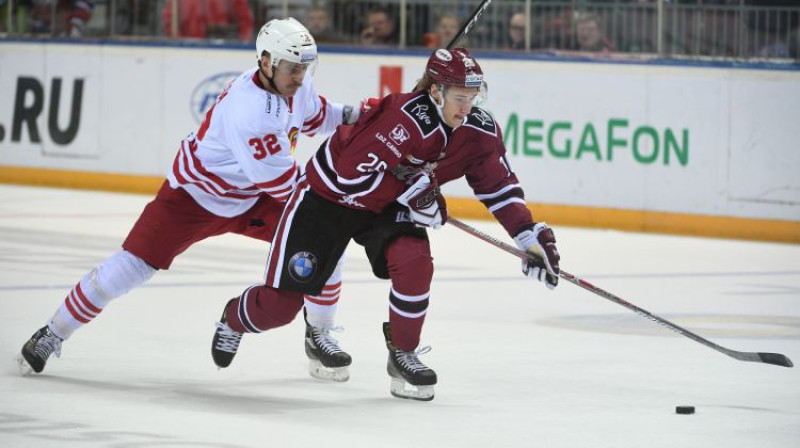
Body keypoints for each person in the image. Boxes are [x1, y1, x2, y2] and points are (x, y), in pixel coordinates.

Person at [17, 18, 362, 381]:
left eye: (305, 68)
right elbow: (286, 187)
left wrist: (363, 116)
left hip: (253, 195)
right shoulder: (250, 112)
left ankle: (319, 333)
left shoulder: (293, 84)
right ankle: (52, 332)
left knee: (325, 244)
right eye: (294, 68)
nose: (300, 76)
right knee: (128, 269)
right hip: (195, 197)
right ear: (266, 62)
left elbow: (319, 116)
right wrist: (348, 197)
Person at [210, 48, 562, 401]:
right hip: (327, 200)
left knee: (414, 261)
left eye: (473, 97)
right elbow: (347, 176)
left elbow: (498, 187)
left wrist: (526, 236)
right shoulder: (400, 117)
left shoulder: (478, 131)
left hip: (385, 206)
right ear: (436, 92)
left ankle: (404, 353)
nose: (467, 107)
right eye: (459, 98)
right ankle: (233, 319)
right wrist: (416, 192)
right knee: (279, 307)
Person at [163, 0, 254, 41]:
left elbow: (245, 19)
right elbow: (170, 21)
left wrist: (240, 44)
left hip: (221, 50)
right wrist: (181, 44)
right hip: (189, 51)